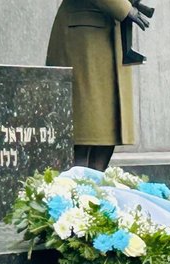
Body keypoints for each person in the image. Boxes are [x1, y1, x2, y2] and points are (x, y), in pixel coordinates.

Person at [46, 0, 151, 171]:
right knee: (84, 130)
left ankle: (94, 194)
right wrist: (124, 8)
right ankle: (73, 195)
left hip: (112, 36)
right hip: (84, 36)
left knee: (106, 132)